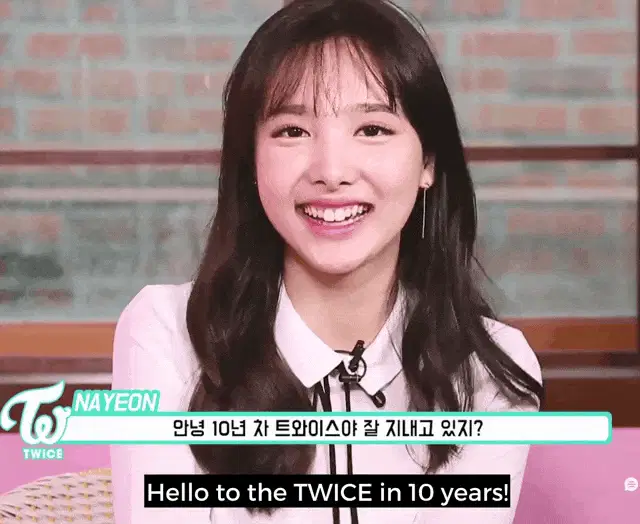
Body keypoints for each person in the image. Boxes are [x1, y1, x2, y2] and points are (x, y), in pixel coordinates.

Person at [110, 0, 544, 522]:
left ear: (428, 161)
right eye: (292, 131)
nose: (332, 172)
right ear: (251, 163)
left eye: (372, 129)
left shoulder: (490, 370)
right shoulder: (166, 334)